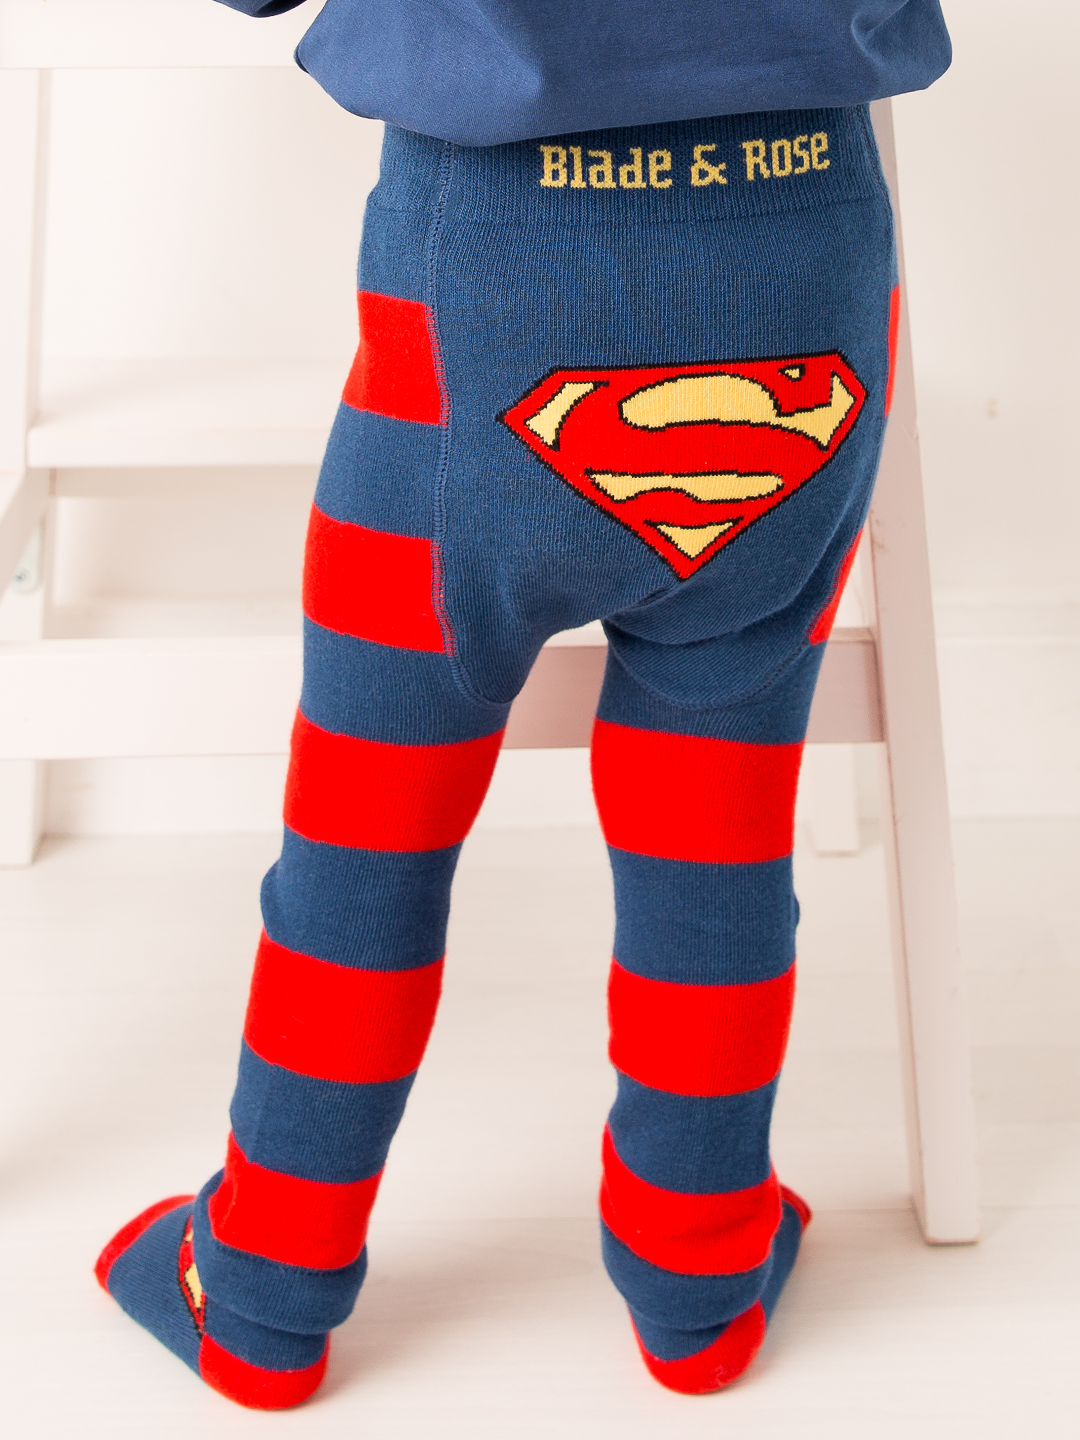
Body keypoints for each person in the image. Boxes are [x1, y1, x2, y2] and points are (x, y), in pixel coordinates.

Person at [94, 0, 951, 1410]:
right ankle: (699, 1284)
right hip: (809, 271)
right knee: (719, 836)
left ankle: (258, 1292)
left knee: (365, 840)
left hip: (483, 280)